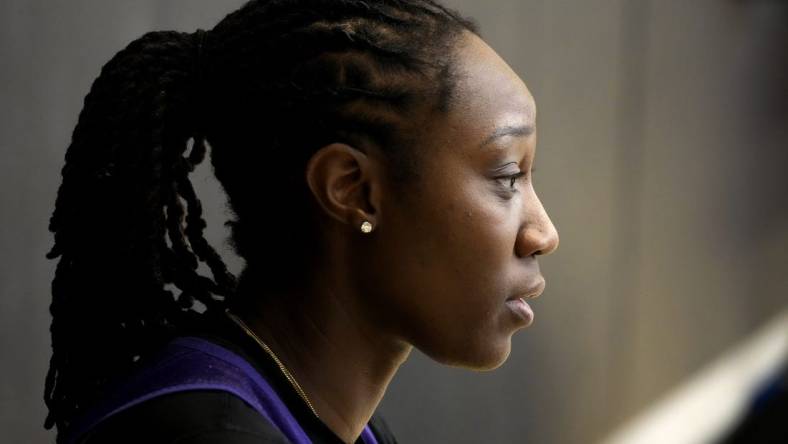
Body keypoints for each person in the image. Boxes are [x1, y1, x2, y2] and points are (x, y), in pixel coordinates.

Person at [43, 0, 559, 442]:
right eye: (509, 176)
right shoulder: (201, 432)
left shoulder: (335, 421)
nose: (544, 233)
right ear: (352, 190)